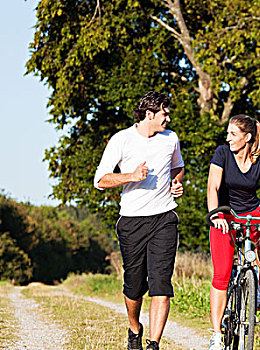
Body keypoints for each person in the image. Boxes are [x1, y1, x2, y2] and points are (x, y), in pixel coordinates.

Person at [93, 91, 184, 350]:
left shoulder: (171, 139)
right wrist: (130, 176)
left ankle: (153, 344)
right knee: (134, 286)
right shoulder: (122, 140)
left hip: (164, 218)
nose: (168, 117)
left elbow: (178, 167)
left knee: (161, 284)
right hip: (132, 221)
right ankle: (135, 328)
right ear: (149, 114)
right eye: (164, 113)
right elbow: (100, 180)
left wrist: (176, 183)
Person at [206, 114, 260, 350]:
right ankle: (217, 335)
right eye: (228, 133)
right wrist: (216, 215)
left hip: (252, 212)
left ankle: (257, 286)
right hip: (225, 213)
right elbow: (213, 187)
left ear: (247, 137)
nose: (228, 138)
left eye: (233, 134)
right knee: (221, 274)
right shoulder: (222, 153)